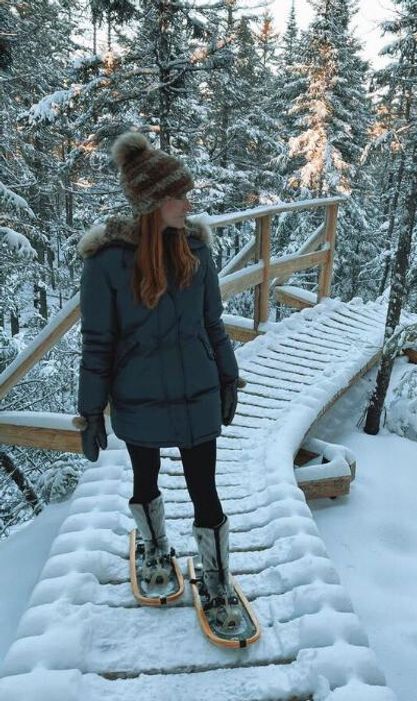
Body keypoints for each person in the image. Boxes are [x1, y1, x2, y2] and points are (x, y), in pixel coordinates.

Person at [76, 130, 245, 632]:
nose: (188, 203)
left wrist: (228, 377)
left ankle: (216, 578)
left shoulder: (196, 249)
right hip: (138, 394)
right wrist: (90, 411)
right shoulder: (106, 263)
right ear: (154, 203)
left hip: (196, 392)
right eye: (180, 195)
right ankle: (153, 547)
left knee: (205, 489)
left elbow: (213, 323)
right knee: (145, 477)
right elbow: (98, 344)